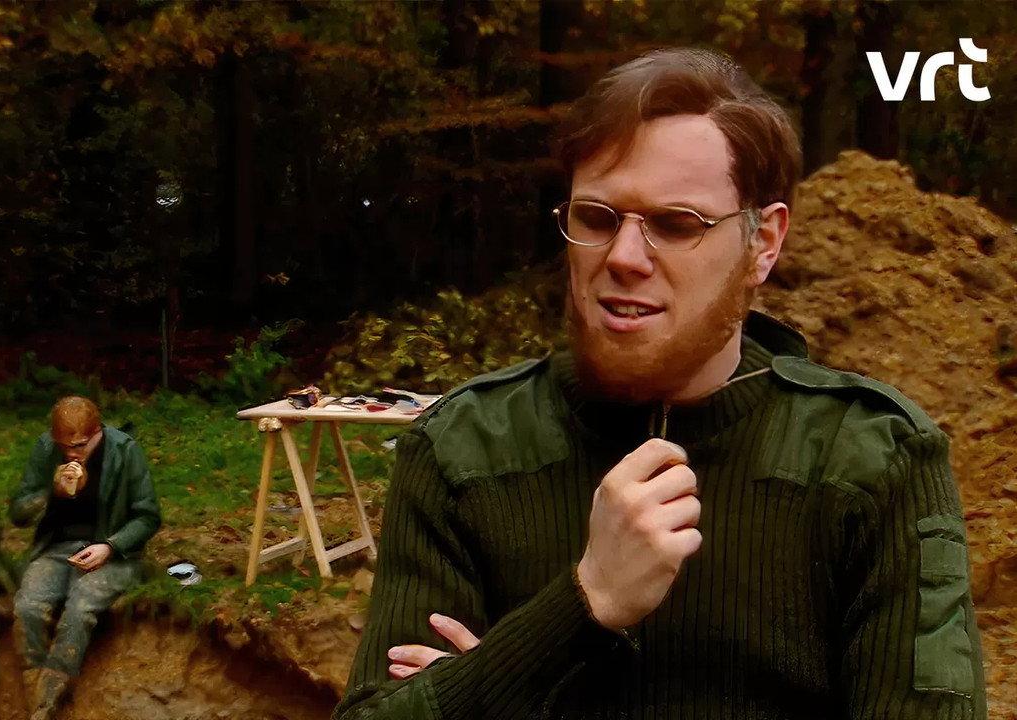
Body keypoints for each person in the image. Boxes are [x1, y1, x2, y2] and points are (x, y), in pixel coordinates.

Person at [335, 48, 986, 719]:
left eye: (676, 226)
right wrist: (584, 604)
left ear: (763, 243)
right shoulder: (461, 452)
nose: (622, 257)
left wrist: (489, 688)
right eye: (596, 217)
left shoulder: (872, 463)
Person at [9, 396, 161, 720]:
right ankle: (34, 688)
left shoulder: (124, 450)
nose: (72, 454)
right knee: (28, 607)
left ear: (97, 433)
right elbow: (18, 513)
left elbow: (148, 516)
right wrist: (51, 492)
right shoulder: (46, 449)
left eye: (79, 446)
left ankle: (48, 702)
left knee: (80, 607)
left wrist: (110, 546)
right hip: (57, 548)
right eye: (64, 447)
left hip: (111, 552)